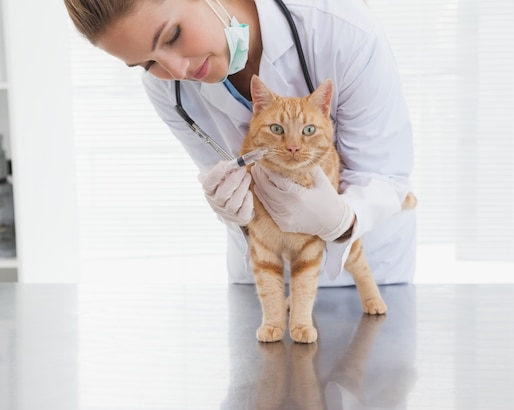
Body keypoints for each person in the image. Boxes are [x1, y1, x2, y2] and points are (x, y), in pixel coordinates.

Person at [64, 0, 416, 287]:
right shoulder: (166, 89)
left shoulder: (340, 29)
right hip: (266, 276)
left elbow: (384, 173)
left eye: (172, 36)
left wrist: (342, 221)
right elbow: (222, 174)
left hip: (367, 273)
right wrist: (233, 209)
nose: (176, 69)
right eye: (146, 63)